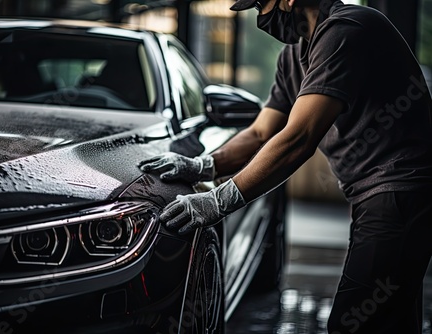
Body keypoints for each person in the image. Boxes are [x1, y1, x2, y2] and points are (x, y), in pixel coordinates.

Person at [138, 0, 432, 332]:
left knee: (356, 322)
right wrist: (203, 165)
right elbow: (262, 132)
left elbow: (299, 137)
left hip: (402, 191)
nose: (259, 15)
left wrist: (219, 201)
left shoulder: (347, 30)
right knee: (393, 318)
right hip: (374, 196)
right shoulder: (293, 57)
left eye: (261, 4)